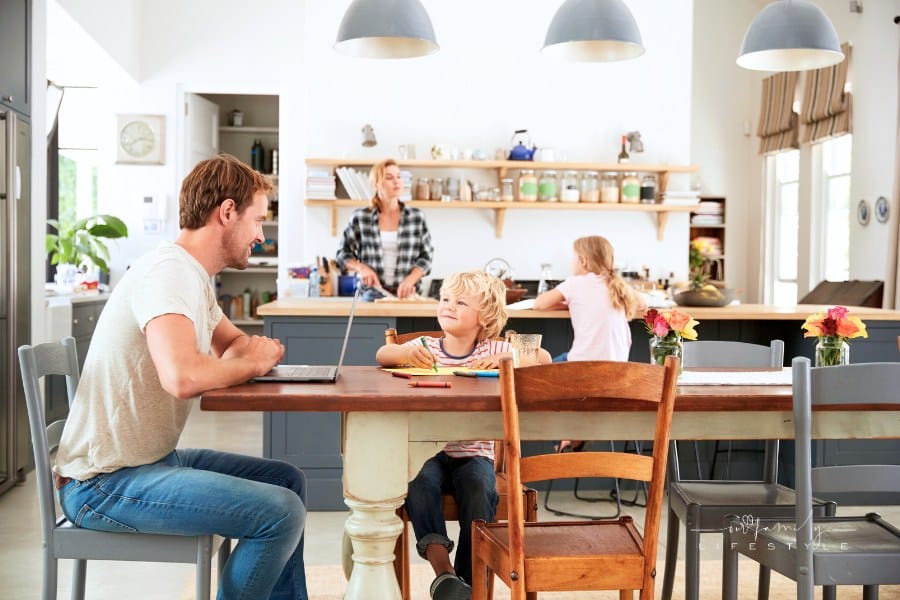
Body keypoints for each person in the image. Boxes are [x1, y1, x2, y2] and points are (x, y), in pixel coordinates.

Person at [54, 154, 309, 599]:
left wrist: (251, 352)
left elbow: (231, 345)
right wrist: (254, 361)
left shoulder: (192, 277)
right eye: (258, 221)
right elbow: (183, 376)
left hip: (149, 461)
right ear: (227, 212)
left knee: (287, 481)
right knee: (281, 511)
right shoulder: (169, 272)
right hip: (104, 483)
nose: (261, 236)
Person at [376, 270, 549, 600]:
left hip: (474, 451)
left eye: (460, 302)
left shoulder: (496, 347)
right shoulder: (425, 347)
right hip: (427, 449)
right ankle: (444, 573)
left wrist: (505, 357)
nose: (448, 306)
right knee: (417, 481)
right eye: (444, 300)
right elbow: (383, 355)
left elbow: (541, 358)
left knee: (479, 488)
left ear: (483, 317)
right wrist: (405, 354)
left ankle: (466, 586)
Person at [533, 235, 645, 452]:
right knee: (572, 384)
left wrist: (568, 302)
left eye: (573, 258)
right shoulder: (618, 286)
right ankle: (576, 432)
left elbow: (540, 303)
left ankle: (566, 434)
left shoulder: (575, 283)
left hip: (582, 369)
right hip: (618, 374)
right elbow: (643, 302)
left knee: (536, 377)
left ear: (583, 261)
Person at [336, 158, 434, 300]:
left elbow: (426, 257)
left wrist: (410, 280)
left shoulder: (416, 217)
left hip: (408, 295)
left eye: (399, 177)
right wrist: (362, 268)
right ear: (376, 184)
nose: (396, 181)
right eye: (389, 178)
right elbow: (342, 255)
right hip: (372, 294)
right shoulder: (361, 217)